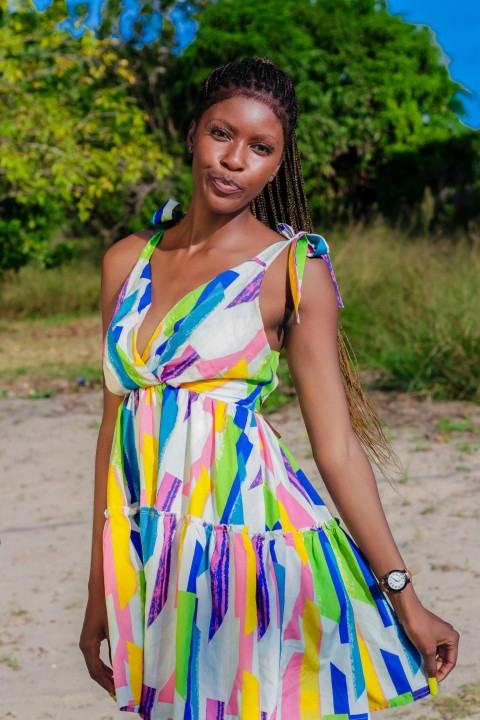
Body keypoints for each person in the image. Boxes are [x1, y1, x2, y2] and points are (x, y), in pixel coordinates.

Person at [80, 57, 459, 719]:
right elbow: (112, 437)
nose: (233, 160)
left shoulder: (292, 268)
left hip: (250, 553)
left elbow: (336, 446)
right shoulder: (126, 261)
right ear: (193, 132)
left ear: (278, 164)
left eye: (260, 147)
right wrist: (99, 593)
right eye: (221, 134)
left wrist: (404, 592)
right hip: (155, 551)